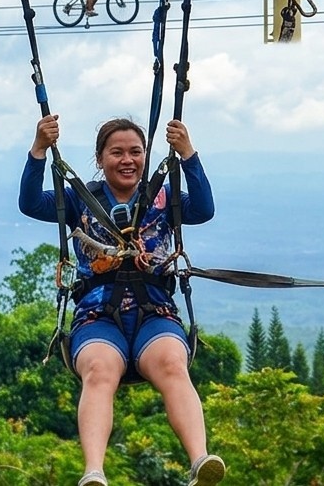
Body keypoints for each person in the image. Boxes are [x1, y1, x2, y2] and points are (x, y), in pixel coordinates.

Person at [19, 115, 225, 486]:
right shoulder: (79, 199)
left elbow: (204, 209)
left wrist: (188, 154)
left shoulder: (163, 196)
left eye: (136, 152)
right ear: (100, 159)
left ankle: (200, 460)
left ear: (146, 156)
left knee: (173, 365)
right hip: (97, 315)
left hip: (154, 311)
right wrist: (38, 149)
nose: (128, 160)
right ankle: (94, 471)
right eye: (117, 153)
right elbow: (30, 203)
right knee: (99, 371)